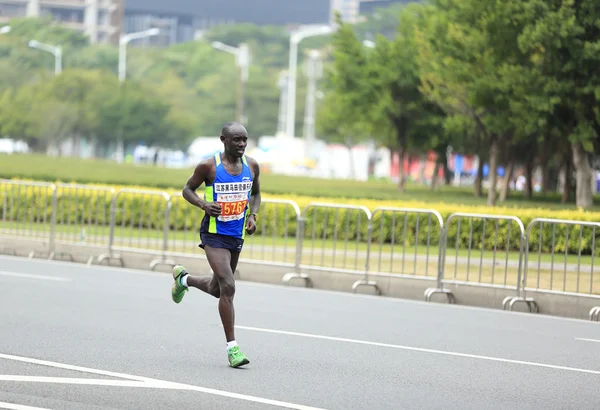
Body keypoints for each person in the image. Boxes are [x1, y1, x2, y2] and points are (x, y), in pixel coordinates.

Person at [170, 121, 261, 368]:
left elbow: (255, 194)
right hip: (213, 234)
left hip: (236, 235)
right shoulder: (209, 166)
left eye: (244, 139)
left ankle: (184, 280)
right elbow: (187, 189)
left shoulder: (251, 166)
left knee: (217, 289)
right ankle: (233, 349)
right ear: (223, 140)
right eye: (236, 140)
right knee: (229, 286)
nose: (241, 144)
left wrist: (252, 215)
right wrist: (203, 205)